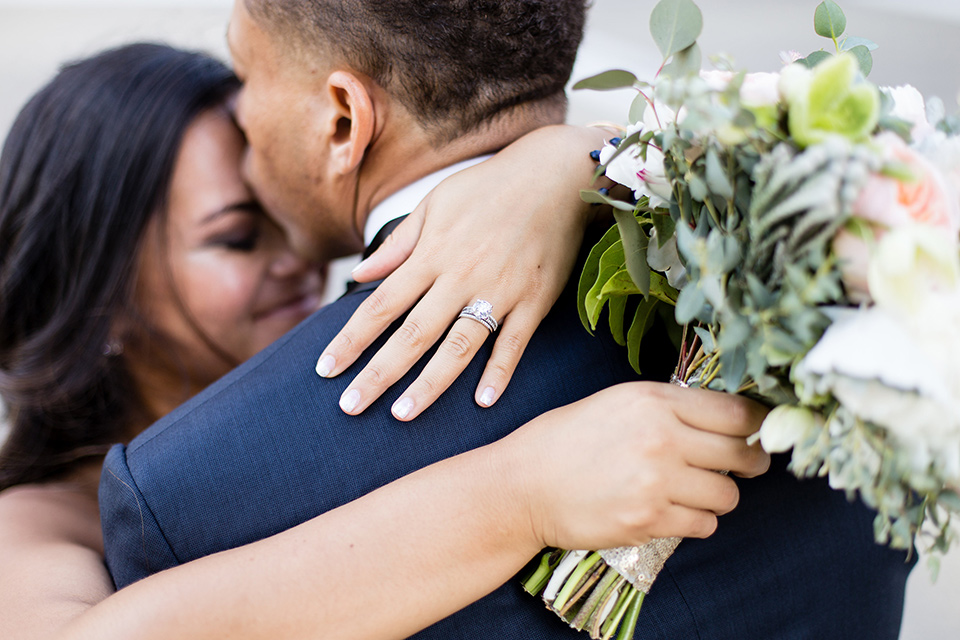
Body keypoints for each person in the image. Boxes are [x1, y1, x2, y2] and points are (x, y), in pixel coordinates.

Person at [98, 1, 915, 639]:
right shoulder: (863, 302)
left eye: (247, 75)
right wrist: (578, 153)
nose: (239, 114)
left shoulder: (184, 498)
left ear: (342, 120)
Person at [0, 42, 769, 640]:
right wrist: (522, 497)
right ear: (99, 301)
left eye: (283, 214)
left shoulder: (359, 358)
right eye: (236, 239)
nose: (295, 258)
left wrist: (557, 165)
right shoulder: (33, 522)